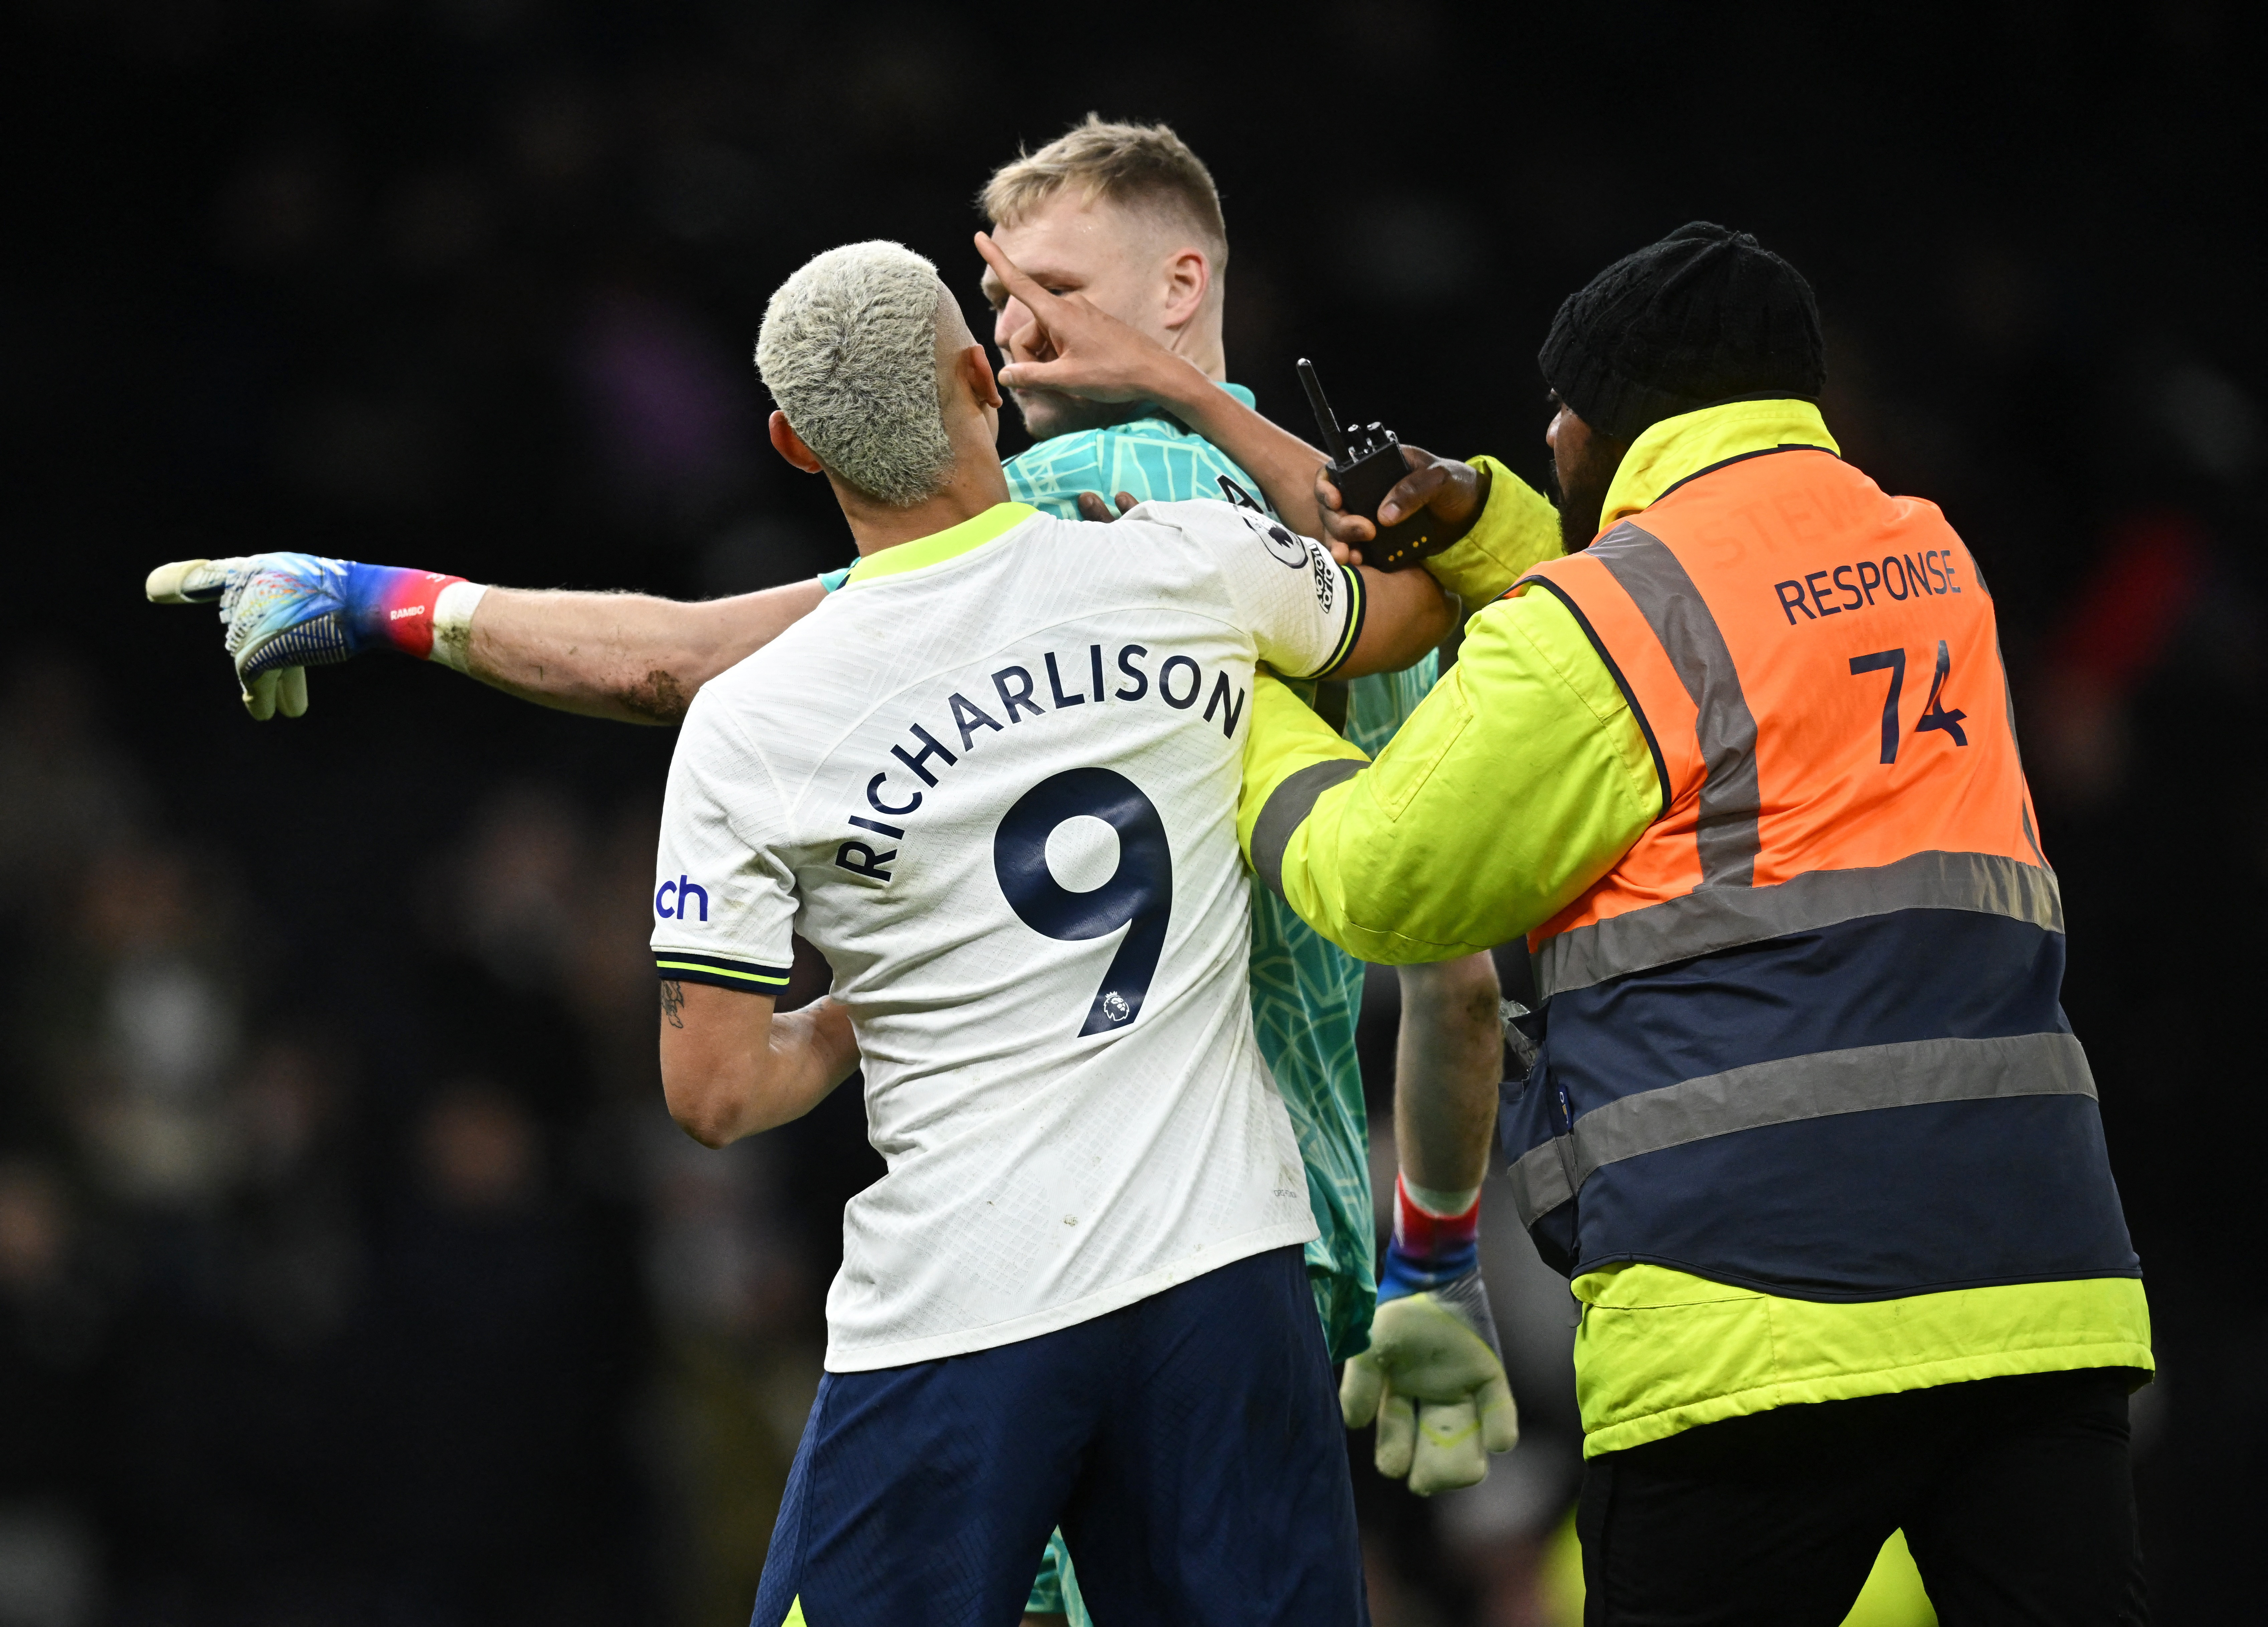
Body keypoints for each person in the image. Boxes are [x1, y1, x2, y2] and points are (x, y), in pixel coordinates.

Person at [146, 116, 1519, 1624]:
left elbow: (677, 666)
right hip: (1271, 1251)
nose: (1020, 324)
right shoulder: (1255, 553)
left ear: (1183, 280)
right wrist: (1434, 1260)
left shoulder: (1098, 506)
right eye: (995, 302)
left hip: (1008, 1286)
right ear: (973, 380)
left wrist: (388, 602)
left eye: (1049, 284)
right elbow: (1449, 955)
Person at [1000, 219, 2156, 1623]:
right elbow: (1717, 605)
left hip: (1759, 1323)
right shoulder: (1928, 560)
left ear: (1606, 421)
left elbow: (1384, 877)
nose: (1546, 436)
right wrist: (1489, 526)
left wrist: (1228, 693)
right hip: (2040, 1301)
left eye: (1560, 411)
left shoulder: (1606, 626)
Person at [657, 238, 1447, 1624]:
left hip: (961, 1306)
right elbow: (1407, 610)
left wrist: (870, 1002)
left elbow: (716, 1092)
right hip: (1223, 1272)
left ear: (791, 443)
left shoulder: (751, 723)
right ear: (982, 372)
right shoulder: (1188, 565)